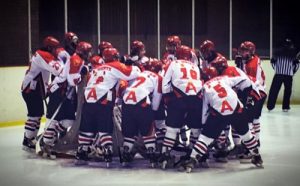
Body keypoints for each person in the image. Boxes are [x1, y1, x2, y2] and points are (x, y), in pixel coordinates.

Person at [180, 67, 263, 173]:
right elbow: (245, 80)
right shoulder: (224, 78)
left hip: (219, 113)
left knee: (205, 138)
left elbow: (205, 109)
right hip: (237, 109)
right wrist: (246, 94)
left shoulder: (205, 87)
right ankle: (257, 156)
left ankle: (192, 160)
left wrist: (205, 126)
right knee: (246, 135)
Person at [75, 47, 141, 166]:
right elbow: (132, 74)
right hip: (103, 100)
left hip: (88, 100)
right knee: (104, 127)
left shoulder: (95, 69)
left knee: (87, 127)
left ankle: (82, 151)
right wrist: (133, 65)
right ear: (115, 56)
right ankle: (107, 150)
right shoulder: (115, 65)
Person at [160, 45, 203, 169]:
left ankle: (166, 155)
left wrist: (167, 98)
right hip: (196, 98)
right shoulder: (195, 66)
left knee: (172, 129)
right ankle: (193, 154)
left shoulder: (172, 63)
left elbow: (165, 82)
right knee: (196, 129)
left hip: (178, 98)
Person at [22, 36, 63, 152]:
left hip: (34, 89)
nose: (56, 50)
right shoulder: (43, 55)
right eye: (55, 48)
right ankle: (28, 139)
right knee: (34, 115)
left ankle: (30, 138)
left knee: (37, 114)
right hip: (31, 90)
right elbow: (58, 69)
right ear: (49, 47)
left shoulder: (42, 53)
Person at [121, 59, 163, 166]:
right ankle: (151, 153)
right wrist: (152, 112)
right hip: (142, 102)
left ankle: (126, 153)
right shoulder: (158, 77)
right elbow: (157, 99)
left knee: (130, 133)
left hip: (126, 102)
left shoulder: (139, 73)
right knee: (148, 131)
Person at [267, 38, 300, 112]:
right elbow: (297, 65)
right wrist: (292, 72)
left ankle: (270, 106)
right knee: (287, 91)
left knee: (274, 90)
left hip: (279, 74)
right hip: (288, 75)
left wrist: (277, 69)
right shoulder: (293, 53)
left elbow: (272, 62)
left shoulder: (278, 52)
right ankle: (285, 107)